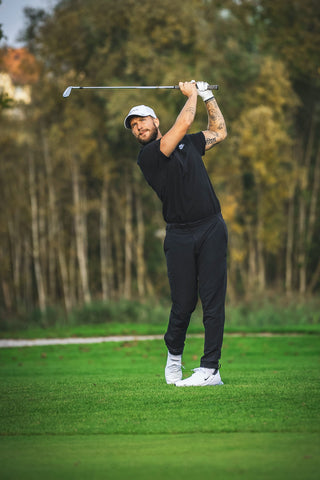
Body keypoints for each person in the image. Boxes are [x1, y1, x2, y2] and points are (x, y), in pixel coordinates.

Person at [124, 81, 228, 387]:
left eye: (141, 121)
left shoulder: (188, 143)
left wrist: (208, 96)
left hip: (211, 226)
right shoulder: (150, 156)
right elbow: (183, 122)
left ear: (155, 121)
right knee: (183, 303)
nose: (137, 127)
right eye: (132, 126)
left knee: (213, 302)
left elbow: (219, 131)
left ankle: (210, 369)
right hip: (180, 234)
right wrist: (193, 92)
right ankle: (174, 357)